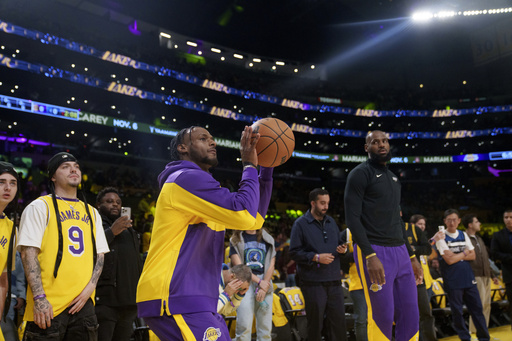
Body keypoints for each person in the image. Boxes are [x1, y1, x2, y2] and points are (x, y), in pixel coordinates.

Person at [136, 126, 273, 341]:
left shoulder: (201, 190)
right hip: (176, 295)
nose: (213, 142)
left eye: (212, 137)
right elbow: (244, 213)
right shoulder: (184, 179)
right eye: (202, 138)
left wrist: (266, 170)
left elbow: (253, 220)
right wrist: (249, 165)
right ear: (183, 148)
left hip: (190, 297)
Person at [18, 152, 109, 340]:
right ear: (52, 176)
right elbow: (28, 253)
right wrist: (39, 298)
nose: (73, 169)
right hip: (49, 305)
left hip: (83, 305)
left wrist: (88, 292)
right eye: (65, 167)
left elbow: (100, 255)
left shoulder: (92, 212)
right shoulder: (39, 207)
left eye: (76, 166)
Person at [344, 130, 422, 341]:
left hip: (401, 252)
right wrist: (369, 255)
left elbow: (398, 222)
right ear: (366, 148)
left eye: (384, 141)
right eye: (375, 142)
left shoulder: (394, 178)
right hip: (375, 250)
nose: (381, 145)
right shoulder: (359, 174)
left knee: (410, 314)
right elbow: (352, 219)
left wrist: (412, 257)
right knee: (383, 316)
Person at [289, 188, 348, 341]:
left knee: (338, 324)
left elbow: (338, 245)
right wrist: (315, 257)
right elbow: (293, 252)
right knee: (315, 326)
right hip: (313, 282)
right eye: (322, 203)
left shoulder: (331, 222)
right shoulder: (300, 224)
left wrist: (343, 249)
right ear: (313, 203)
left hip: (334, 280)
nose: (326, 207)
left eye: (327, 203)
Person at [95, 187, 143, 341]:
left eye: (118, 202)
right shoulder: (95, 224)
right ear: (98, 205)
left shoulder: (130, 230)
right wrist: (111, 232)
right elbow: (90, 250)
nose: (115, 205)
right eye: (109, 202)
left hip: (129, 303)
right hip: (106, 302)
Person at [434, 209, 490, 341]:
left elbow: (473, 255)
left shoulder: (463, 234)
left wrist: (457, 255)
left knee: (477, 309)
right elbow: (449, 260)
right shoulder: (440, 236)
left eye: (454, 219)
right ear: (444, 221)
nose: (452, 222)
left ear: (459, 221)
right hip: (452, 279)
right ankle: (465, 338)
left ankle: (484, 337)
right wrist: (464, 253)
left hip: (468, 277)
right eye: (449, 220)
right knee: (457, 312)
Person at [229, 228, 276, 341]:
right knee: (244, 326)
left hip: (265, 282)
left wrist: (264, 286)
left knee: (265, 328)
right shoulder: (235, 240)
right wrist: (260, 282)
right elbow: (240, 268)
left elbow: (271, 265)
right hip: (244, 282)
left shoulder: (268, 238)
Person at [462, 214, 499, 335]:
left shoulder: (479, 239)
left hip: (486, 275)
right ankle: (474, 331)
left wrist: (492, 275)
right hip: (474, 274)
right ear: (470, 224)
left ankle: (484, 331)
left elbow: (486, 259)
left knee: (486, 304)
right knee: (478, 305)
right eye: (477, 221)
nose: (479, 224)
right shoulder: (464, 238)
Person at [404, 219, 437, 341]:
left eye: (424, 224)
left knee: (425, 313)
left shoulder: (413, 230)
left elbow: (427, 249)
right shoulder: (385, 229)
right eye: (420, 223)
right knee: (404, 315)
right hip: (397, 277)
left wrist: (412, 248)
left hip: (417, 278)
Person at [0, 162, 19, 341]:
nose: (8, 187)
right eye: (1, 182)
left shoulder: (12, 228)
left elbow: (3, 279)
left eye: (13, 183)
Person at [341, 228, 367, 341]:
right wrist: (361, 254)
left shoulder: (376, 227)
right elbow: (342, 257)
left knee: (379, 318)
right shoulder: (347, 233)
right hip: (357, 284)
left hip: (378, 282)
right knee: (361, 320)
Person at [490, 209, 512, 329]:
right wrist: (510, 258)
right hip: (509, 275)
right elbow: (495, 254)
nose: (508, 220)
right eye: (506, 217)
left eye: (511, 217)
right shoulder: (498, 235)